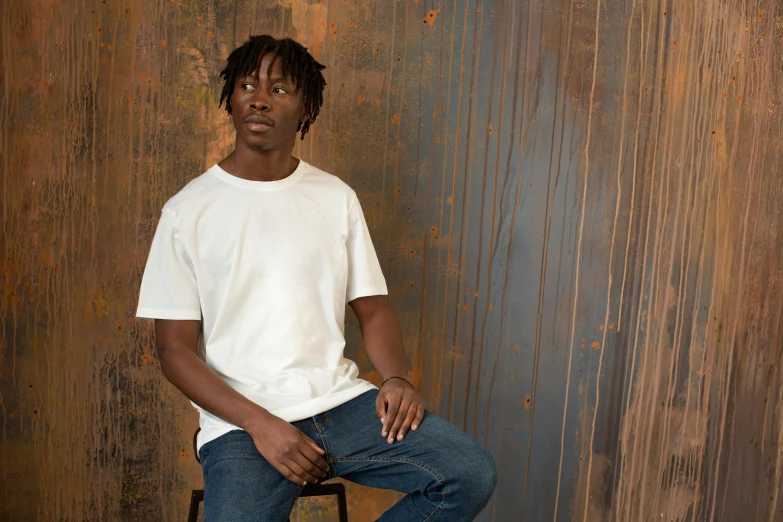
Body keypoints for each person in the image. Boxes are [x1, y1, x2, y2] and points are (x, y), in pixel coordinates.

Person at [136, 34, 497, 521]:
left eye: (279, 89)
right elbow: (173, 351)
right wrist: (261, 424)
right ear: (232, 99)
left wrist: (395, 379)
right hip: (242, 422)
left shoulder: (334, 198)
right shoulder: (187, 211)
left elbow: (373, 309)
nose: (258, 98)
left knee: (467, 472)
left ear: (306, 108)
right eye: (246, 85)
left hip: (341, 405)